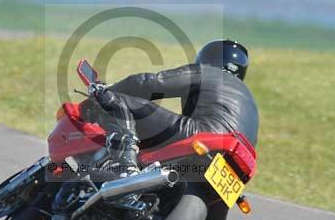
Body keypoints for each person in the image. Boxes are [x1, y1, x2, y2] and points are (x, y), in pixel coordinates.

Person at [88, 39, 259, 175]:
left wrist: (107, 91)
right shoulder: (250, 101)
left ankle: (125, 166)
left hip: (203, 135)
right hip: (236, 160)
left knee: (118, 100)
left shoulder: (207, 71)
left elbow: (151, 83)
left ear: (208, 59)